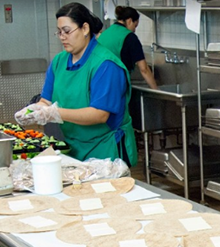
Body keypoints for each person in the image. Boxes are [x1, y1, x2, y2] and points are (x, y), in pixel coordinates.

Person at [14, 2, 137, 167]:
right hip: (73, 148)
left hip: (106, 152)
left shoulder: (105, 64)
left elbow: (99, 114)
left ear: (85, 29)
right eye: (59, 32)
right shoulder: (59, 61)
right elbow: (46, 100)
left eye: (67, 31)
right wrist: (35, 110)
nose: (62, 37)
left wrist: (55, 113)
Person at [97, 6, 158, 90]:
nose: (134, 30)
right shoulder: (130, 37)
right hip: (115, 85)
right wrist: (156, 90)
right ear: (129, 21)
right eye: (135, 26)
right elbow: (144, 69)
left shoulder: (104, 34)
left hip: (97, 83)